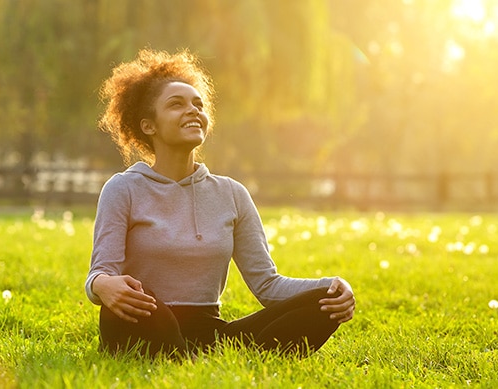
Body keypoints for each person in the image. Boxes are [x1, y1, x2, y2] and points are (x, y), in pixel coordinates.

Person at [85, 48, 355, 359]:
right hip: (143, 319)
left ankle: (188, 357)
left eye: (198, 104)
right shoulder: (123, 188)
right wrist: (103, 287)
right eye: (176, 105)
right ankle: (185, 358)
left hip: (209, 332)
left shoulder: (232, 194)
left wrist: (335, 285)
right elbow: (100, 273)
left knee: (324, 301)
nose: (192, 110)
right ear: (149, 126)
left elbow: (267, 285)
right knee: (145, 307)